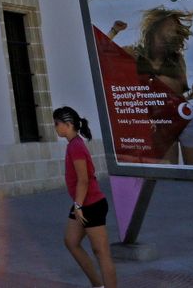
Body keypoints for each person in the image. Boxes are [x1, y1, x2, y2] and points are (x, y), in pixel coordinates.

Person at [107, 10, 193, 164]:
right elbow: (103, 54)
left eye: (176, 27)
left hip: (185, 119)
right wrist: (114, 31)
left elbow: (182, 96)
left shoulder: (177, 59)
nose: (174, 30)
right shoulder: (135, 53)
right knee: (169, 172)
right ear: (156, 26)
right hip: (159, 124)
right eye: (171, 25)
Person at [53, 106, 117, 288]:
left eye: (56, 123)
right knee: (71, 241)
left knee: (101, 253)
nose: (55, 127)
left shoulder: (76, 147)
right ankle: (98, 285)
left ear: (67, 124)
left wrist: (78, 205)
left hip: (92, 204)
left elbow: (83, 180)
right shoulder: (73, 145)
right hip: (82, 204)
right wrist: (78, 205)